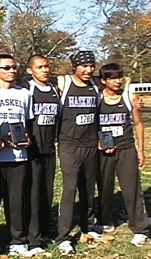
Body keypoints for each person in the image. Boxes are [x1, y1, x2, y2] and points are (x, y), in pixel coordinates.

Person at [97, 63, 150, 247]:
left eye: (120, 77)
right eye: (112, 78)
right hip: (104, 151)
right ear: (103, 81)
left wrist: (141, 150)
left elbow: (138, 124)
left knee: (132, 189)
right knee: (104, 187)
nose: (117, 81)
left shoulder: (129, 97)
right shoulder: (96, 99)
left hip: (126, 149)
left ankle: (140, 228)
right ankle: (105, 221)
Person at [0, 54, 34, 257]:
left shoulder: (24, 93)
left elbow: (27, 123)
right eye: (6, 67)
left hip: (18, 157)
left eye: (14, 67)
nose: (11, 71)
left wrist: (28, 138)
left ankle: (18, 240)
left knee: (17, 202)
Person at [55, 50, 100, 254]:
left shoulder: (95, 85)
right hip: (69, 145)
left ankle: (88, 226)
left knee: (88, 188)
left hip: (90, 145)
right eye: (84, 66)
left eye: (91, 66)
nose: (88, 70)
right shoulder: (63, 83)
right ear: (75, 67)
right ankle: (63, 236)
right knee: (70, 189)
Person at [25, 55, 60, 256]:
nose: (45, 70)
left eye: (47, 66)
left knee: (47, 193)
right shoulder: (28, 90)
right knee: (33, 195)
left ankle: (45, 231)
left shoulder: (55, 90)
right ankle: (33, 238)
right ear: (31, 70)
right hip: (32, 152)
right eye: (40, 67)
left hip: (49, 150)